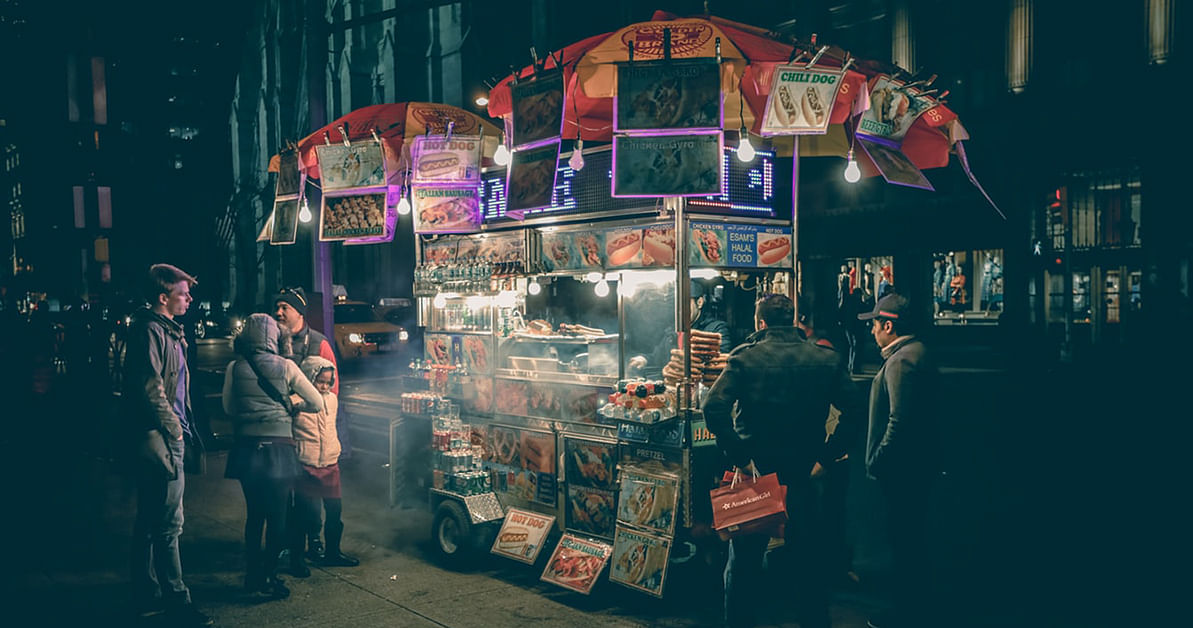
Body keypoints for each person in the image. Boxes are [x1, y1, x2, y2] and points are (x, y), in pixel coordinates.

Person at [704, 294, 862, 628]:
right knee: (809, 563)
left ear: (760, 323)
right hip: (805, 473)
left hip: (757, 476)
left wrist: (740, 456)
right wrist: (829, 455)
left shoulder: (744, 359)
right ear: (792, 320)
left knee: (744, 565)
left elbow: (713, 408)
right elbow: (856, 410)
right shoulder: (826, 359)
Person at [123, 264, 212, 626]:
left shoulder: (167, 331)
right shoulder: (152, 330)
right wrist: (175, 430)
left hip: (163, 436)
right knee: (168, 523)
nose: (189, 298)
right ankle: (177, 600)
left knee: (149, 520)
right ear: (164, 297)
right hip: (162, 439)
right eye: (182, 293)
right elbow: (151, 387)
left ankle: (146, 593)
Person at [222, 314, 324, 599]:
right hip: (279, 449)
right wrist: (293, 403)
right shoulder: (286, 366)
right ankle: (269, 575)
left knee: (254, 517)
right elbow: (316, 402)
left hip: (246, 449)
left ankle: (253, 578)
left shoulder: (234, 367)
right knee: (278, 517)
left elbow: (228, 407)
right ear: (275, 338)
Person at [858, 293, 940, 628]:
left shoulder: (902, 361)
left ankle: (905, 613)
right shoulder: (916, 353)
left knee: (904, 541)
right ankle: (912, 607)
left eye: (875, 324)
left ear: (888, 325)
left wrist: (879, 459)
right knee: (910, 539)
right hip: (917, 467)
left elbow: (899, 420)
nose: (872, 331)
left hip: (904, 470)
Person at [274, 287, 344, 560]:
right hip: (284, 429)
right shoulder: (275, 342)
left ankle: (314, 543)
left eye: (284, 307)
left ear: (299, 312)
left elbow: (332, 388)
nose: (278, 312)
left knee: (311, 497)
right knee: (289, 497)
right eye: (277, 307)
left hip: (312, 435)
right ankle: (291, 546)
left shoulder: (319, 343)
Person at [796, 300, 858, 589]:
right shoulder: (813, 349)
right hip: (825, 446)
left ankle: (835, 569)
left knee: (830, 511)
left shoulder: (822, 351)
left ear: (803, 320)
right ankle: (827, 568)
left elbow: (847, 407)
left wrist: (828, 453)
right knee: (823, 511)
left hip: (830, 448)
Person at [287, 356, 359, 577]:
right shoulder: (295, 401)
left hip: (329, 462)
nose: (325, 386)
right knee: (305, 514)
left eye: (329, 382)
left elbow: (335, 428)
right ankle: (298, 557)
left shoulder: (333, 400)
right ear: (308, 378)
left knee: (335, 511)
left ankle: (333, 552)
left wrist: (340, 450)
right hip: (306, 463)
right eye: (320, 381)